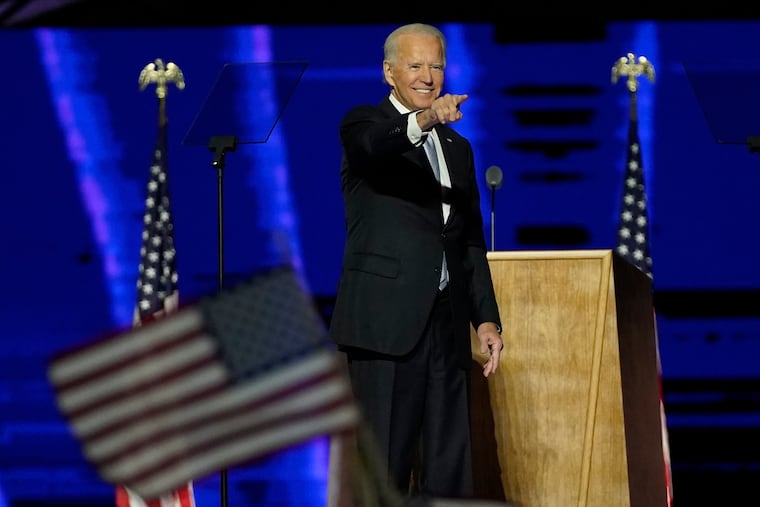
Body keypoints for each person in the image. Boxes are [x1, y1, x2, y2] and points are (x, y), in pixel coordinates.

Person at [328, 22, 504, 501]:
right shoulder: (362, 125)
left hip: (445, 329)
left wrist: (485, 318)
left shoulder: (458, 149)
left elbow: (468, 241)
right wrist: (425, 121)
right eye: (415, 65)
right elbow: (375, 146)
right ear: (389, 72)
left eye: (437, 65)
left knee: (451, 467)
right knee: (384, 468)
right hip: (385, 328)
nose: (428, 76)